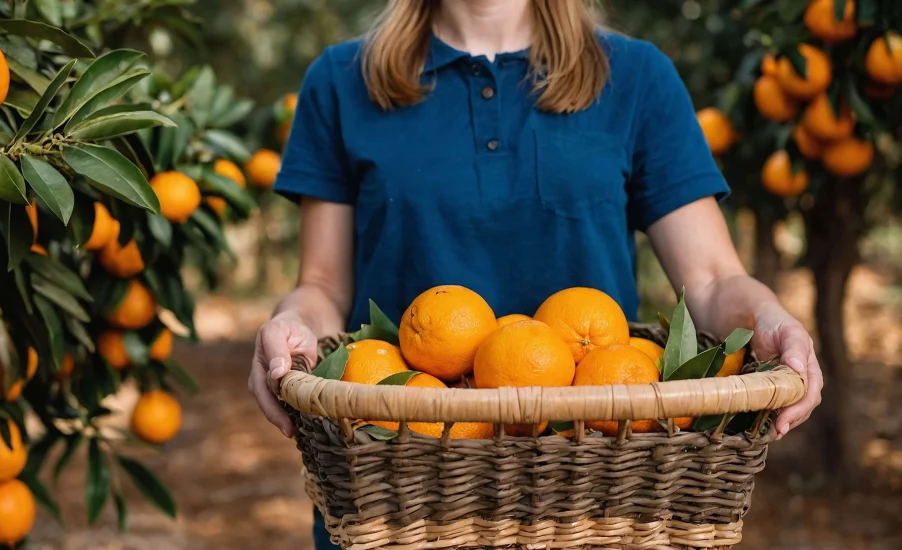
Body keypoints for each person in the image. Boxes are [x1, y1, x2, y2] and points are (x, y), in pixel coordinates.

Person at [247, 1, 825, 548]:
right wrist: (292, 324)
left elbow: (712, 277)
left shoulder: (635, 77)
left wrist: (766, 318)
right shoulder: (343, 80)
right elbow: (321, 286)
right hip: (401, 487)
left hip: (600, 484)